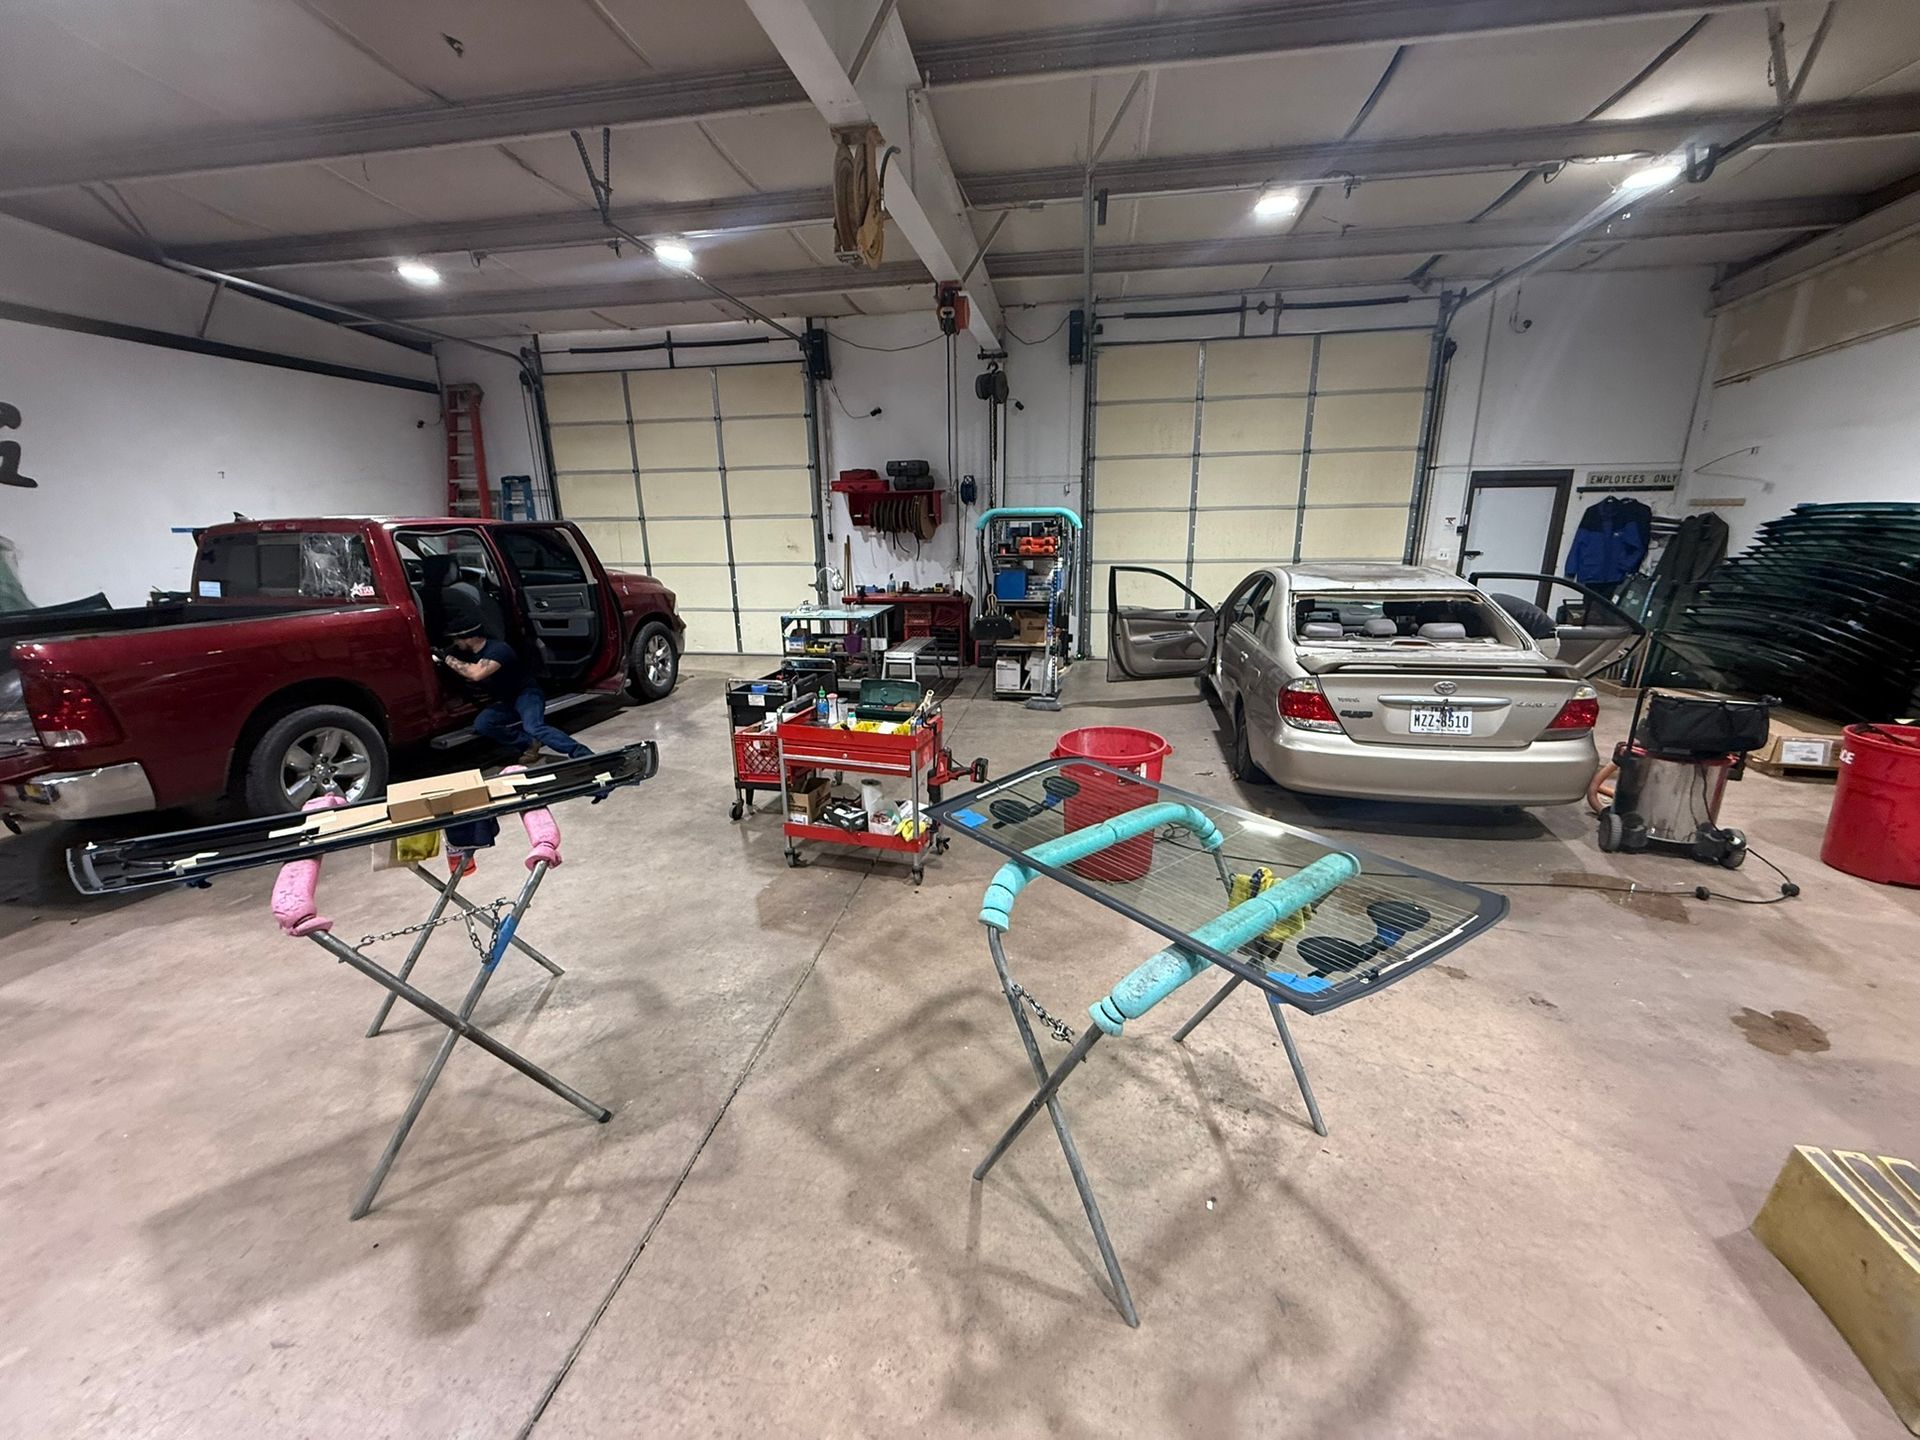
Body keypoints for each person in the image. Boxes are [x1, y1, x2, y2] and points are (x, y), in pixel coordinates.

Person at [439, 620, 591, 763]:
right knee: (483, 724)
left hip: (526, 695)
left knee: (534, 727)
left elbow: (477, 674)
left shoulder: (498, 649)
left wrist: (446, 658)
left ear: (470, 638)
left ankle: (583, 755)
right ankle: (528, 744)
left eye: (456, 639)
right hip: (507, 700)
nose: (455, 643)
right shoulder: (465, 653)